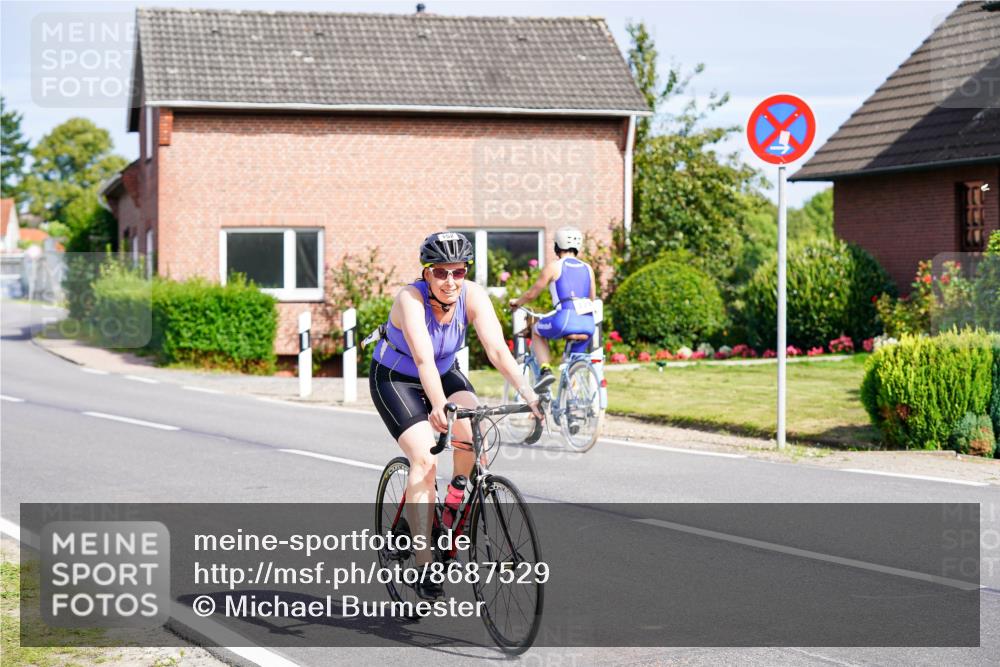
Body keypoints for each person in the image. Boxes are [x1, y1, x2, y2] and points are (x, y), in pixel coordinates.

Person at [368, 231, 542, 600]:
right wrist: (437, 404)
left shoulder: (472, 296)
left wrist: (529, 395)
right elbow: (422, 360)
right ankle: (424, 564)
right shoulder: (410, 299)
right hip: (396, 377)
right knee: (425, 459)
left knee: (474, 434)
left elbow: (497, 350)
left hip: (445, 370)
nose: (450, 281)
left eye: (458, 272)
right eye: (441, 272)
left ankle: (452, 501)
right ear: (427, 273)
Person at [508, 227, 597, 376]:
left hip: (565, 320)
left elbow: (531, 294)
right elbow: (592, 298)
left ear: (557, 245)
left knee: (536, 330)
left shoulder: (554, 266)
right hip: (588, 324)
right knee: (572, 368)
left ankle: (545, 370)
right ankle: (572, 388)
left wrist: (517, 302)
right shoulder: (588, 268)